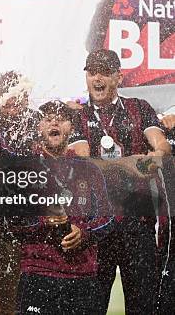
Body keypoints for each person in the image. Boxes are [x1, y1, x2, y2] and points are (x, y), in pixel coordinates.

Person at [68, 49, 171, 314]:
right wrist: (130, 164)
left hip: (138, 224)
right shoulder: (78, 116)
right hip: (97, 227)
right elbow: (84, 162)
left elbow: (161, 148)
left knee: (143, 306)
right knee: (92, 305)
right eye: (92, 72)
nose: (97, 78)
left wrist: (152, 159)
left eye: (104, 72)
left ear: (118, 77)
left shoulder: (138, 107)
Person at [16, 101, 113, 315]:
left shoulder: (88, 169)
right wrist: (42, 221)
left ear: (72, 127)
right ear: (38, 127)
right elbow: (12, 223)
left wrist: (85, 234)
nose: (54, 123)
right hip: (38, 272)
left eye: (61, 118)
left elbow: (107, 219)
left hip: (82, 275)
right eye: (48, 118)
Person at [0, 70, 41, 315]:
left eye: (17, 91)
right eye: (5, 93)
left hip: (41, 230)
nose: (11, 98)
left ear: (26, 94)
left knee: (41, 304)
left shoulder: (42, 122)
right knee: (5, 306)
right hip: (4, 231)